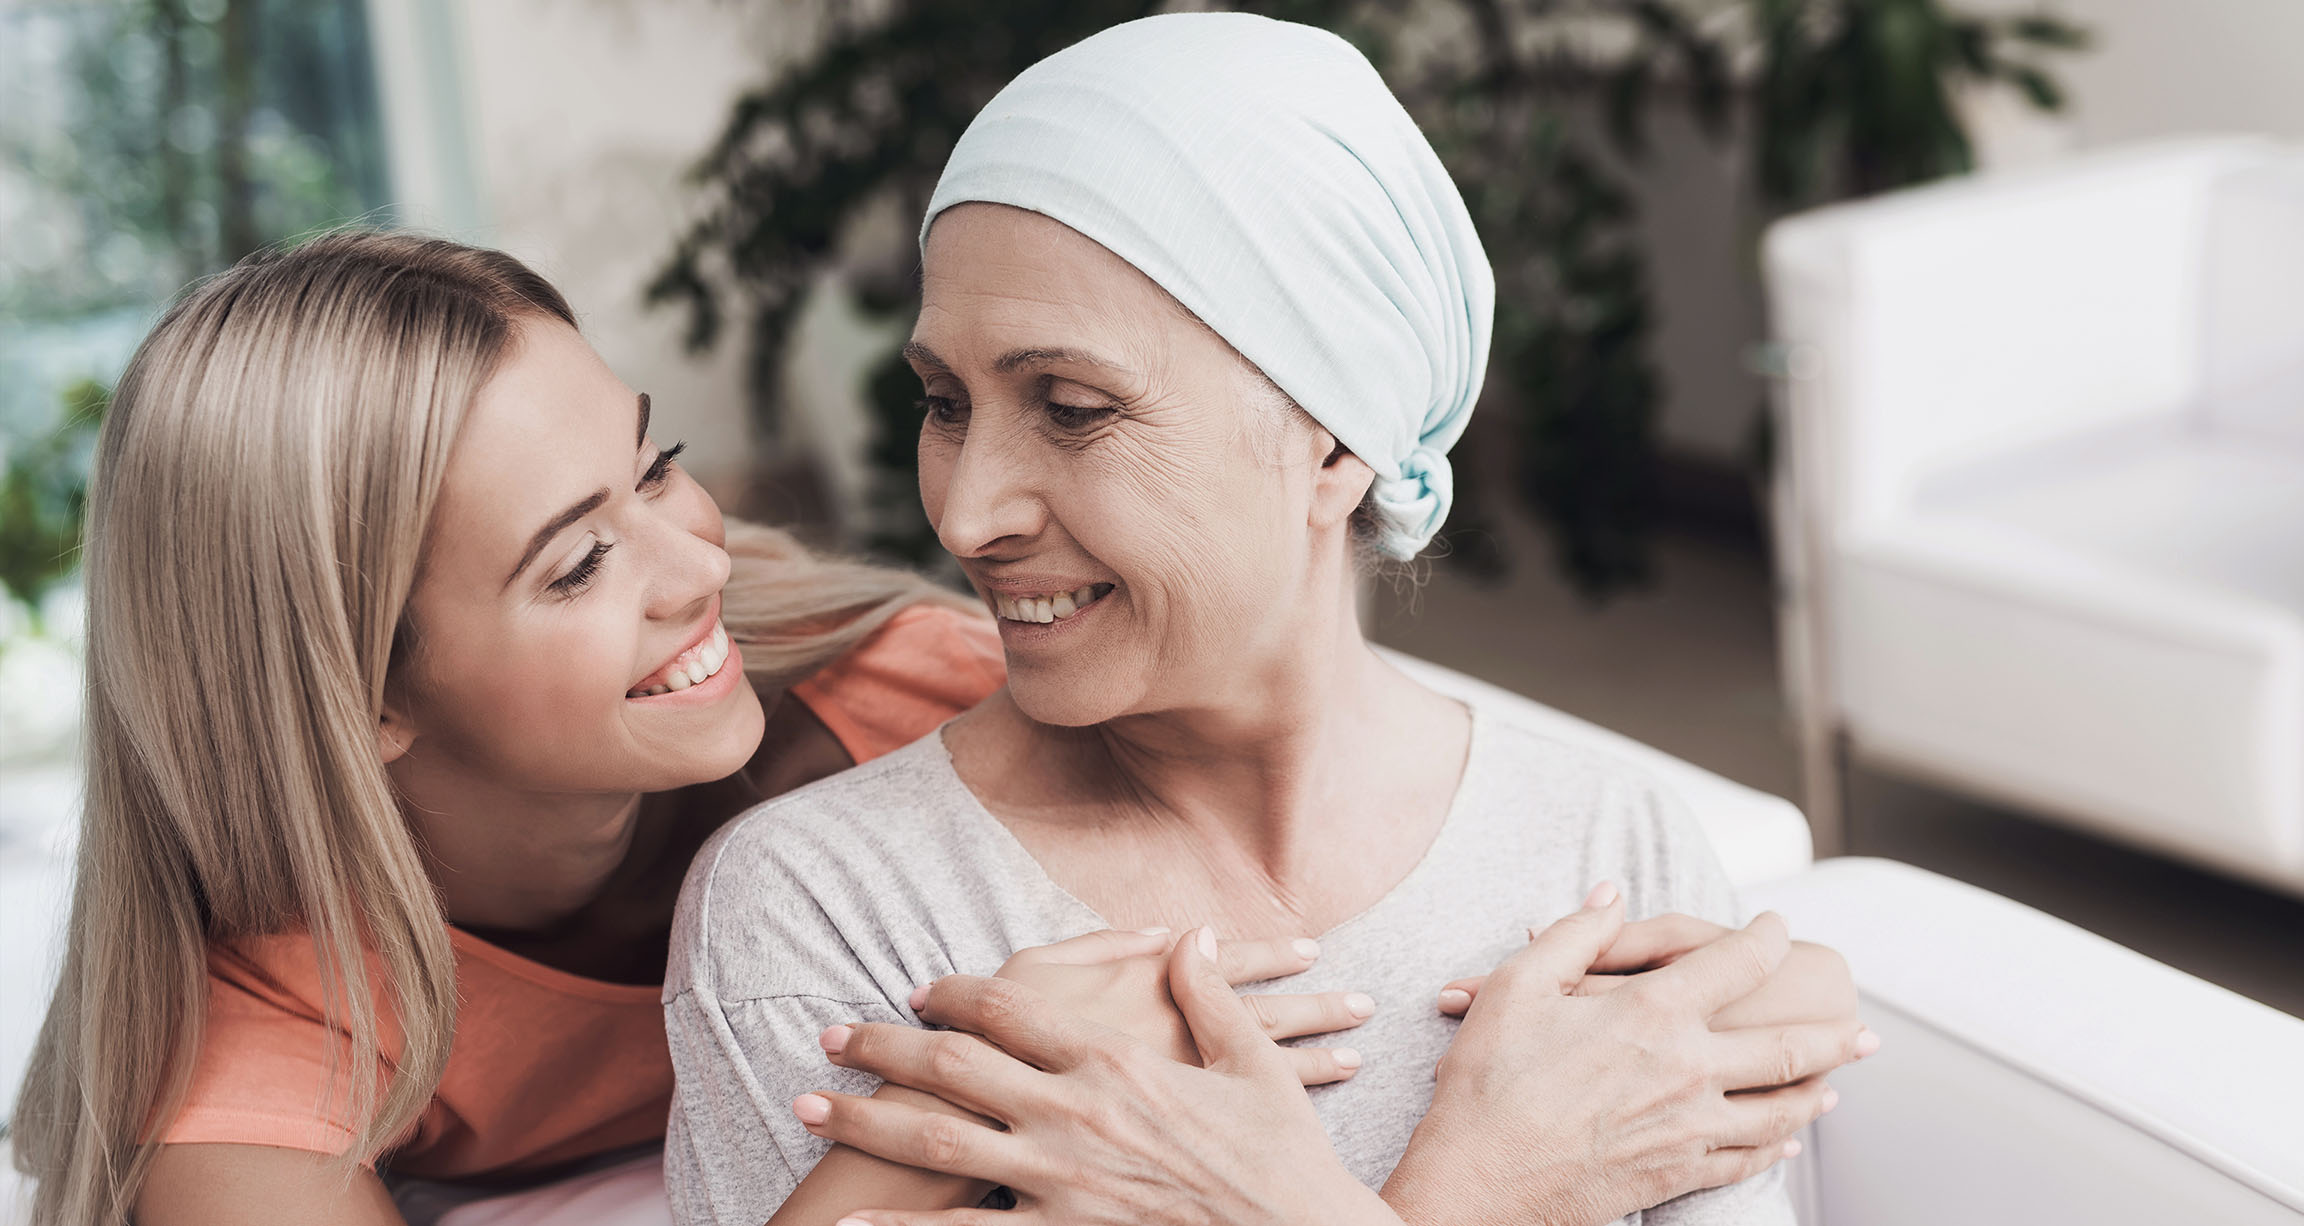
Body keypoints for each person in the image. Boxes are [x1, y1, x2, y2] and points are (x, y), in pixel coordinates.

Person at [664, 13, 1869, 1226]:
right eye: (942, 401)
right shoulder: (827, 911)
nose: (966, 512)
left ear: (1337, 438)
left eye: (1072, 407)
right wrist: (1479, 1191)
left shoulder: (1609, 855)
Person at [8, 232, 1370, 1226]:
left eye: (655, 468)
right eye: (577, 564)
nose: (700, 568)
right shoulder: (263, 1027)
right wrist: (944, 1113)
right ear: (360, 697)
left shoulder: (912, 693)